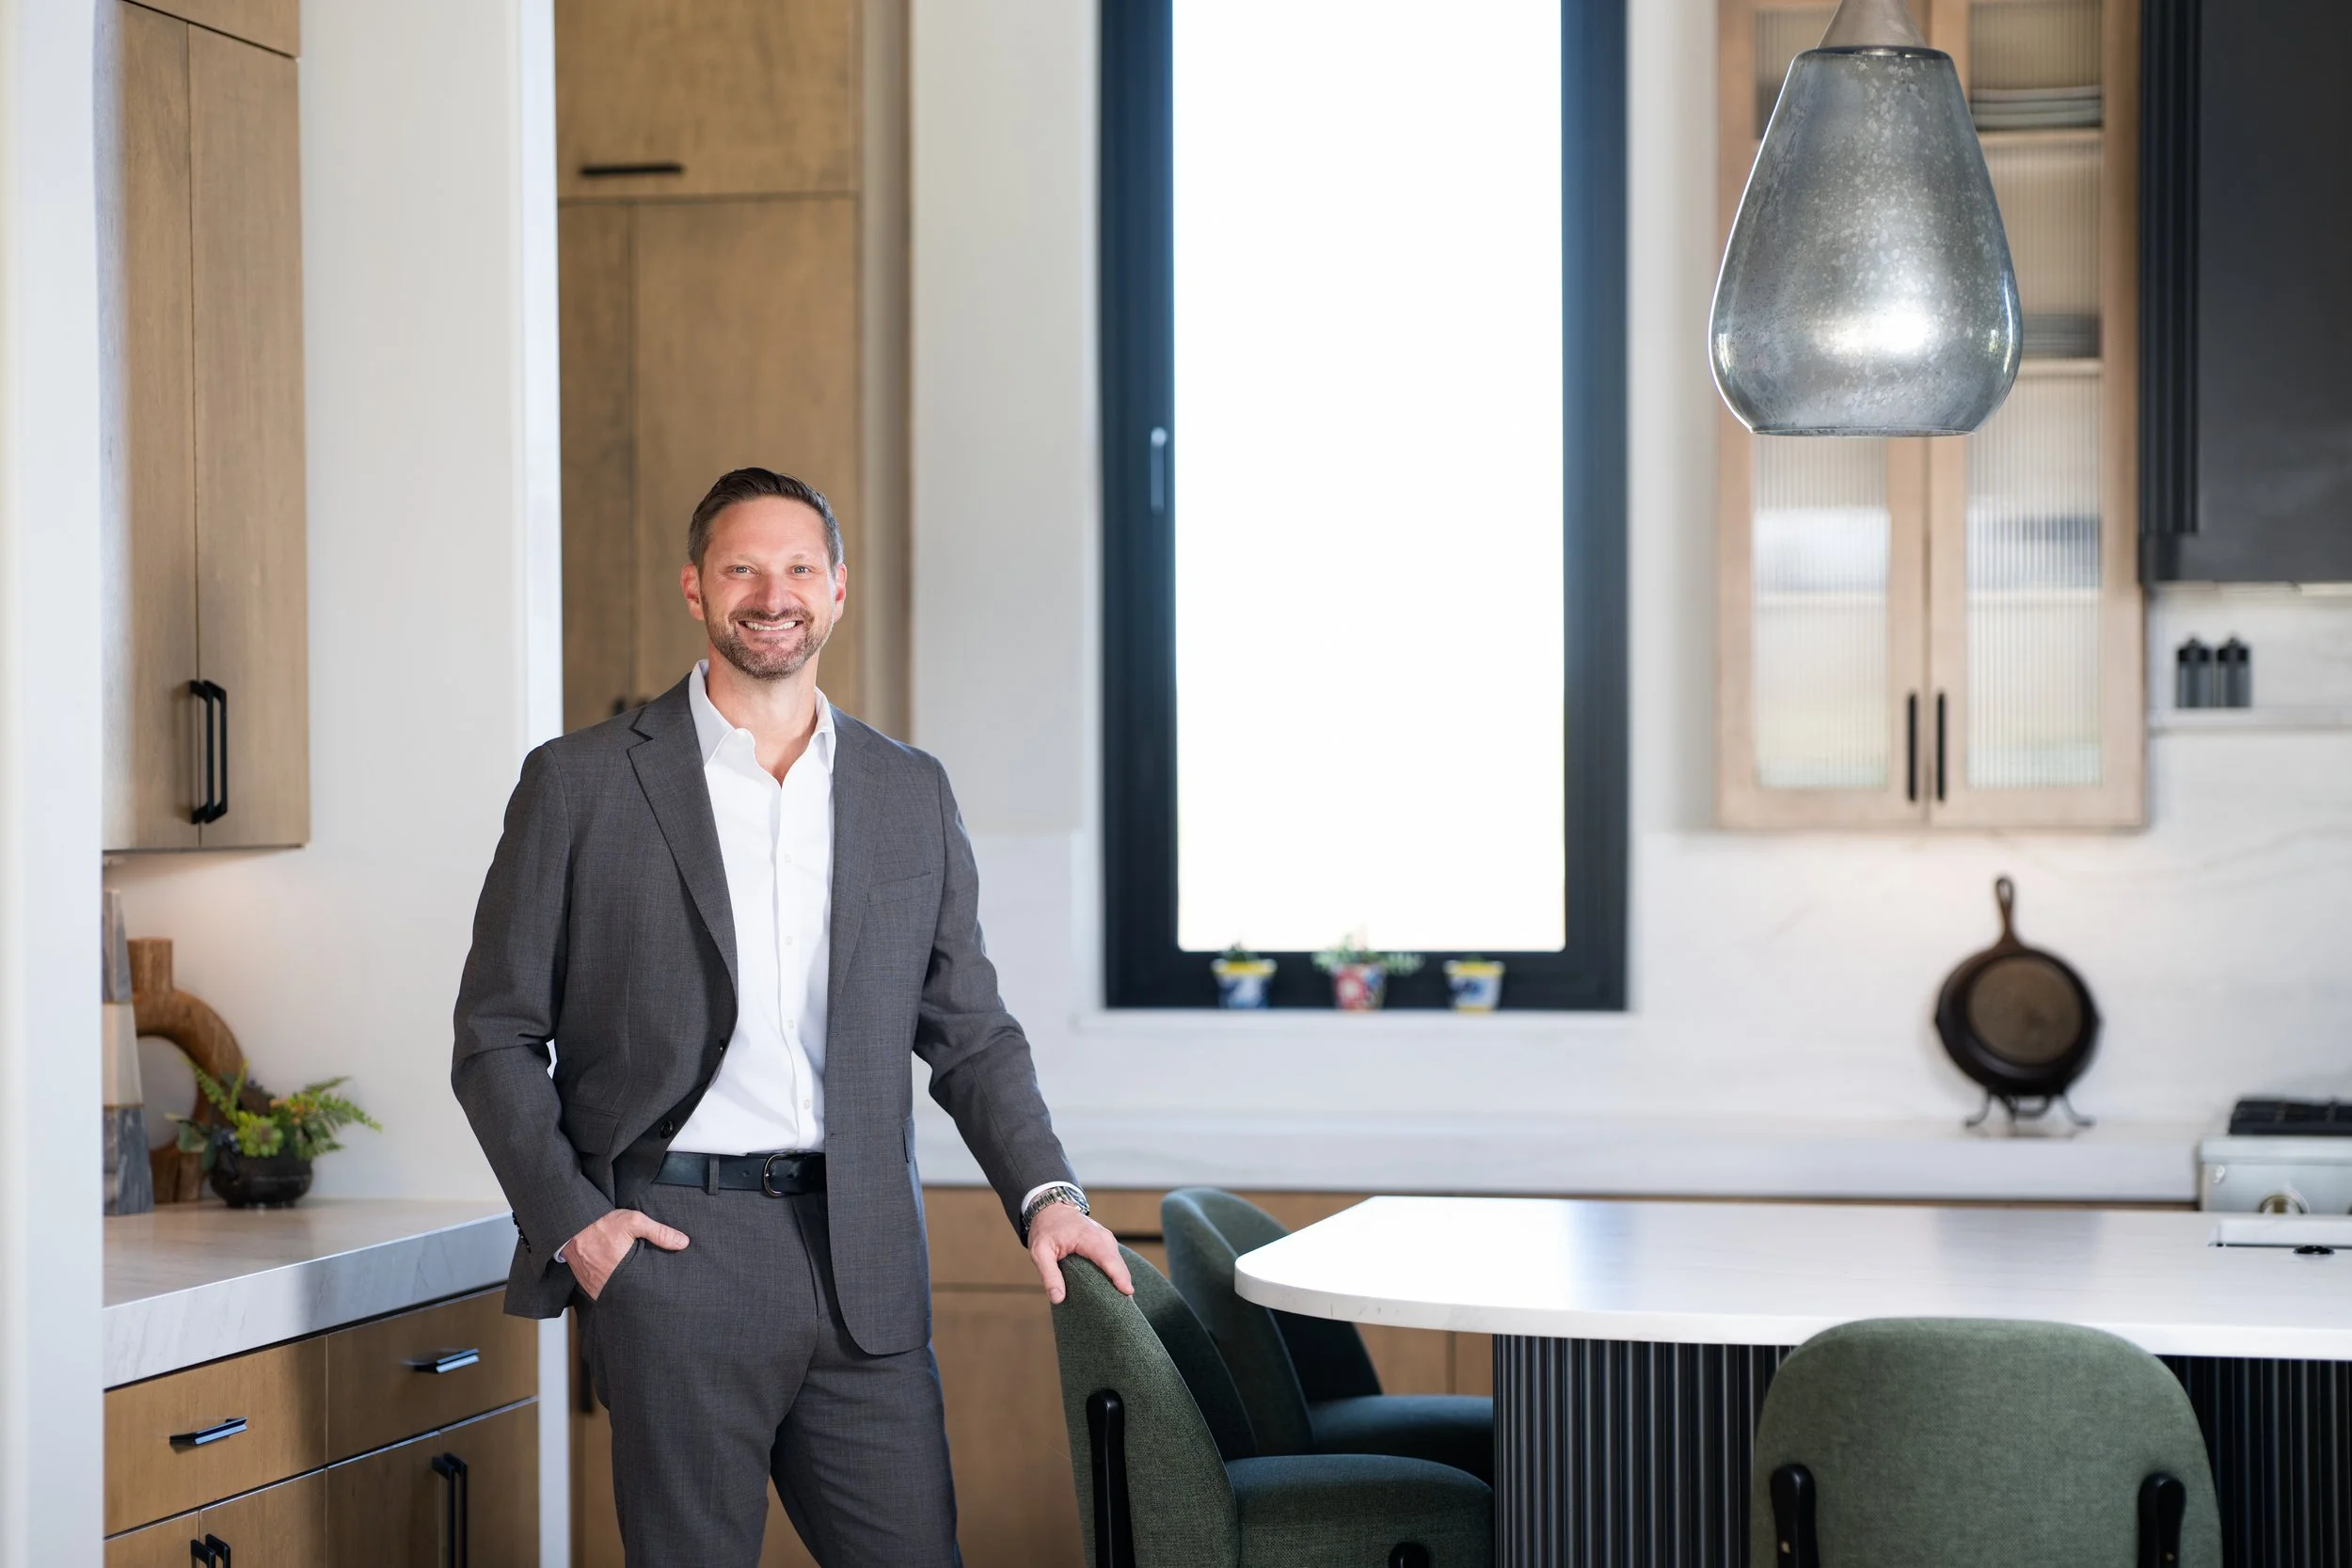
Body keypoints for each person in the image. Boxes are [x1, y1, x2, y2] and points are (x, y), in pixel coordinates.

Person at [452, 467, 1131, 1566]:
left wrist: (1047, 1195)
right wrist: (577, 1223)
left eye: (799, 567)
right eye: (743, 568)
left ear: (837, 589)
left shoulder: (908, 790)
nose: (774, 593)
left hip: (861, 1255)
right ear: (695, 587)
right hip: (673, 1249)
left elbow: (971, 1027)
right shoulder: (579, 784)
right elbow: (493, 1031)